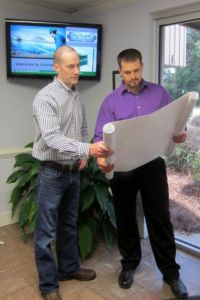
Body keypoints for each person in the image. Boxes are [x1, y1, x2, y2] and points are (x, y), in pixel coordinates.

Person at [94, 48, 188, 299]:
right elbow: (97, 138)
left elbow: (176, 124)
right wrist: (102, 158)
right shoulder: (110, 101)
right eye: (127, 72)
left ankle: (171, 273)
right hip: (123, 168)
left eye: (136, 70)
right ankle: (129, 265)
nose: (133, 76)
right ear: (120, 71)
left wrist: (179, 133)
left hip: (152, 165)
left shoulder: (159, 94)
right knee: (125, 219)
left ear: (142, 67)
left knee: (160, 219)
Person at [32, 46, 113, 300]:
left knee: (68, 225)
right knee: (45, 233)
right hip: (52, 173)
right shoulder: (45, 97)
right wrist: (88, 149)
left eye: (79, 65)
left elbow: (82, 126)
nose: (77, 71)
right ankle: (48, 286)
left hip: (73, 172)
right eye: (71, 66)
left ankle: (68, 269)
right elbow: (53, 138)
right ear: (56, 67)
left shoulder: (76, 94)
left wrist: (80, 155)